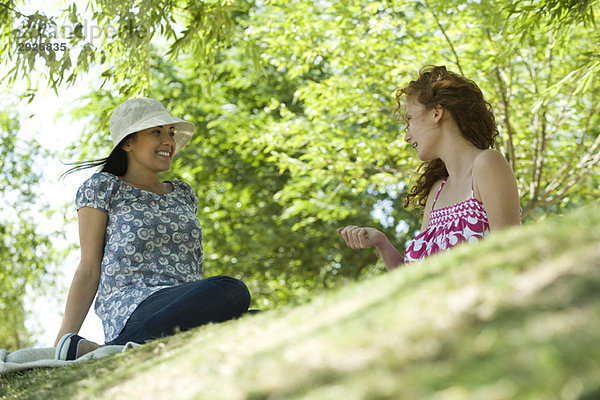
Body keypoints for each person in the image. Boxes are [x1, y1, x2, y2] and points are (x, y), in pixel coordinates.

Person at [54, 97, 251, 360]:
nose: (168, 141)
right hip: (133, 306)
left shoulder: (183, 193)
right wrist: (60, 343)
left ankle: (109, 351)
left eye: (170, 133)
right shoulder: (103, 188)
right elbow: (89, 268)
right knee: (231, 290)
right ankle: (116, 346)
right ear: (128, 142)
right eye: (156, 132)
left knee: (258, 318)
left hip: (182, 302)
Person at [338, 65, 521, 269]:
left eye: (410, 119)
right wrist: (381, 242)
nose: (407, 137)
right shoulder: (437, 191)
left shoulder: (487, 164)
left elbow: (510, 254)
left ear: (436, 113)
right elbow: (414, 278)